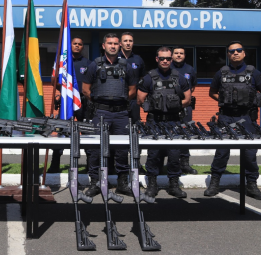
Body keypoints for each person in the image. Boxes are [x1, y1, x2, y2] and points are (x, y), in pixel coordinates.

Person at [204, 41, 261, 200]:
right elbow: (212, 92)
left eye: (238, 50)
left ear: (244, 53)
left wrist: (253, 101)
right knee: (221, 152)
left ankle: (252, 185)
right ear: (228, 54)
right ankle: (214, 183)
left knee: (249, 153)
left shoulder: (253, 73)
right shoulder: (221, 73)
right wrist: (224, 100)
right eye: (231, 51)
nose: (235, 53)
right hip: (226, 116)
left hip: (246, 117)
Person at [81, 33, 138, 197]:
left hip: (121, 113)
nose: (112, 46)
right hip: (100, 113)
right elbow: (86, 89)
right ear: (103, 46)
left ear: (119, 46)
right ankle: (95, 182)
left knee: (121, 149)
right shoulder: (95, 65)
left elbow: (133, 89)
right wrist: (101, 102)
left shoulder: (127, 66)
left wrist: (121, 101)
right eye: (109, 43)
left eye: (115, 43)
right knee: (96, 149)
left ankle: (122, 183)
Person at [138, 47, 191, 199]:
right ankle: (152, 184)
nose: (165, 61)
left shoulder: (179, 77)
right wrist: (156, 105)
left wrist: (174, 105)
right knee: (153, 154)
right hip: (155, 121)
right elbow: (140, 99)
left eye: (168, 58)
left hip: (174, 121)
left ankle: (173, 185)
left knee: (174, 154)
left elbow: (187, 99)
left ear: (171, 59)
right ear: (157, 59)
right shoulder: (149, 77)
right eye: (162, 58)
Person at [47, 36, 92, 173]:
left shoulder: (88, 63)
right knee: (61, 133)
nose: (77, 46)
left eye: (80, 44)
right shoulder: (63, 62)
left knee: (87, 134)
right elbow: (54, 79)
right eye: (74, 44)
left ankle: (90, 166)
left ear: (82, 47)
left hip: (82, 103)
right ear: (70, 45)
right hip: (67, 103)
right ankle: (55, 165)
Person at [171, 46, 198, 174]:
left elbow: (192, 87)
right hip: (168, 107)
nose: (179, 55)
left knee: (185, 133)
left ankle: (185, 163)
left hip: (185, 107)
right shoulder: (167, 68)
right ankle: (169, 163)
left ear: (184, 55)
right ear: (172, 55)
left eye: (181, 53)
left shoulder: (189, 69)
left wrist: (184, 100)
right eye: (176, 53)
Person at [119, 32, 146, 122]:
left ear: (133, 43)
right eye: (125, 41)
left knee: (134, 124)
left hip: (134, 100)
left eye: (130, 41)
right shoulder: (115, 58)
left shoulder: (138, 59)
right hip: (118, 98)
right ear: (120, 43)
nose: (128, 43)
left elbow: (142, 78)